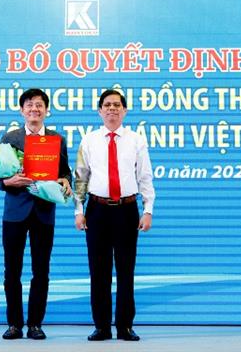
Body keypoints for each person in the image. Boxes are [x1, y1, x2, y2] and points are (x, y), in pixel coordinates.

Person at [0, 88, 72, 340]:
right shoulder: (10, 137)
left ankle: (35, 323)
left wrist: (66, 181)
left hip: (44, 212)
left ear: (46, 110)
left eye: (39, 105)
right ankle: (14, 324)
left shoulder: (57, 139)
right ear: (22, 110)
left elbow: (65, 171)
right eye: (29, 105)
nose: (34, 109)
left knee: (41, 271)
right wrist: (7, 182)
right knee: (12, 271)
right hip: (15, 212)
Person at [74, 89, 155, 342]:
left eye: (117, 105)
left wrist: (148, 210)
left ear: (125, 110)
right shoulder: (88, 140)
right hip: (96, 210)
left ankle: (125, 326)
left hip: (127, 210)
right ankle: (101, 326)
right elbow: (80, 178)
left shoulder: (136, 140)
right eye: (107, 105)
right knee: (98, 271)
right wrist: (79, 210)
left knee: (125, 270)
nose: (112, 109)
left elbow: (145, 176)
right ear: (100, 111)